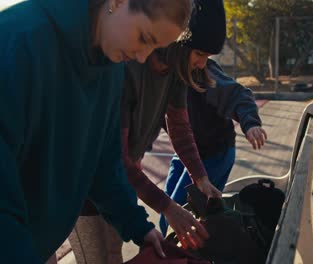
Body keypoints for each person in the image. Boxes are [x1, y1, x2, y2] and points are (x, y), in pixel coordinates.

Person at [0, 0, 192, 262]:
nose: (142, 57)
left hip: (35, 245)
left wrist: (138, 226)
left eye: (155, 48)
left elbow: (103, 162)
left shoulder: (111, 66)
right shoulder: (16, 41)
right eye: (144, 37)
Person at [68, 1, 225, 263]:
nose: (201, 64)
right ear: (179, 41)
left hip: (119, 181)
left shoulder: (176, 72)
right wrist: (167, 208)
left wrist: (200, 177)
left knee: (112, 253)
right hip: (85, 185)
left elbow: (179, 126)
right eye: (200, 53)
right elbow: (116, 157)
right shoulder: (127, 67)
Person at [159, 1, 267, 235]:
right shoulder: (160, 73)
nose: (202, 62)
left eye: (207, 56)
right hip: (185, 152)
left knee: (188, 215)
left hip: (215, 154)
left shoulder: (203, 72)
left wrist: (250, 123)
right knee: (165, 212)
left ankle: (207, 250)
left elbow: (238, 94)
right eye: (199, 54)